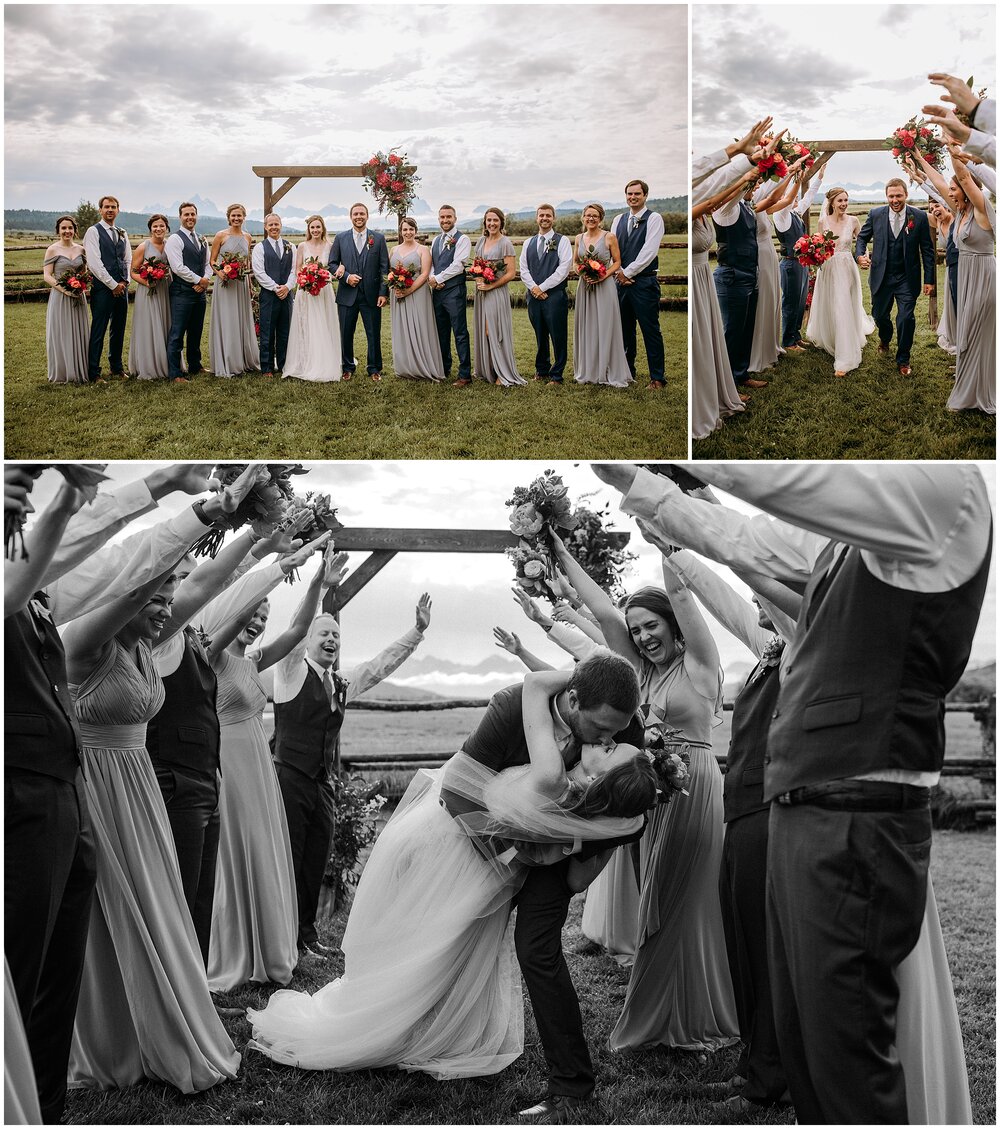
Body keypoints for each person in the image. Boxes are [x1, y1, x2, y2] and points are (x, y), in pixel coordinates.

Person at [597, 461, 991, 1125]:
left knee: (847, 1056)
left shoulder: (942, 492)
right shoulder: (841, 554)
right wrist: (646, 490)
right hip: (801, 811)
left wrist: (682, 462)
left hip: (858, 810)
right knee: (806, 1037)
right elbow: (748, 546)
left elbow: (796, 485)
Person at [247, 661, 653, 1108]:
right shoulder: (509, 707)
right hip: (478, 840)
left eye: (615, 734)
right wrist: (509, 853)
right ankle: (408, 1031)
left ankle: (572, 1086)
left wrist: (575, 842)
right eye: (599, 729)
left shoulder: (621, 725)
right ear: (573, 700)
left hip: (558, 856)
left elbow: (631, 813)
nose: (607, 740)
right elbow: (457, 790)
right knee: (440, 944)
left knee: (537, 950)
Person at [549, 531, 738, 1054]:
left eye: (651, 626)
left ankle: (686, 1015)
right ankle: (665, 1008)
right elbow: (606, 614)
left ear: (674, 627)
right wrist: (557, 548)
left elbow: (681, 596)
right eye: (638, 631)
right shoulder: (641, 674)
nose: (643, 636)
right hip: (654, 794)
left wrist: (665, 533)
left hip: (696, 786)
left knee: (684, 900)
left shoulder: (700, 665)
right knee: (654, 901)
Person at [62, 569, 241, 1092]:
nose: (167, 608)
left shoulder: (147, 640)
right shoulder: (86, 644)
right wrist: (175, 542)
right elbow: (145, 584)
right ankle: (115, 1038)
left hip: (139, 788)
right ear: (128, 595)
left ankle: (166, 1015)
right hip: (100, 789)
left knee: (161, 905)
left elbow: (203, 586)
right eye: (155, 598)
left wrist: (257, 533)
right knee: (115, 912)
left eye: (168, 600)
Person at [202, 538, 339, 992]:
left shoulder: (257, 661)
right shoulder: (215, 656)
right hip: (226, 761)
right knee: (232, 852)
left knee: (263, 850)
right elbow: (231, 615)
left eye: (263, 617)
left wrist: (317, 577)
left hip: (258, 764)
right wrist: (269, 573)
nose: (257, 622)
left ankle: (268, 944)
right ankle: (230, 948)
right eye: (252, 615)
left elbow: (300, 627)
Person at [272, 591, 432, 957]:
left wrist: (417, 632)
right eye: (323, 634)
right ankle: (282, 939)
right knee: (288, 860)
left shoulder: (342, 682)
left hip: (323, 783)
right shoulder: (289, 672)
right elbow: (294, 632)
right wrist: (317, 589)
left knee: (316, 858)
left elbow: (379, 666)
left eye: (336, 636)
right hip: (288, 779)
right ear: (308, 641)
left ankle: (307, 936)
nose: (331, 640)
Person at [855, 178, 935, 376]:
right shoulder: (875, 214)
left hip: (907, 278)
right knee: (880, 316)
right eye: (891, 196)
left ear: (906, 195)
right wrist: (860, 255)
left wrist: (929, 279)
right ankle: (885, 338)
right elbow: (862, 237)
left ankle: (903, 359)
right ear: (886, 196)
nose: (895, 200)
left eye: (898, 195)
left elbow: (927, 250)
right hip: (881, 276)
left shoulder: (919, 217)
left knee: (906, 317)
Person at [807, 186, 876, 376]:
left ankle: (845, 356)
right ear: (831, 203)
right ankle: (832, 336)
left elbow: (862, 244)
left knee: (843, 304)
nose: (844, 204)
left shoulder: (853, 221)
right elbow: (818, 246)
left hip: (846, 268)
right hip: (828, 269)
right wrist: (815, 256)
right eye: (840, 201)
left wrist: (864, 256)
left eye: (846, 200)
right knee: (831, 304)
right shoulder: (823, 222)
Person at [946, 155, 995, 414]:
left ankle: (976, 394)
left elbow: (964, 176)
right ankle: (967, 389)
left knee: (977, 335)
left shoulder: (982, 209)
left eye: (953, 188)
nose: (950, 192)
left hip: (984, 276)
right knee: (967, 334)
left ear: (966, 190)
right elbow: (939, 184)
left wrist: (952, 148)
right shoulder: (961, 212)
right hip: (966, 274)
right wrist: (919, 157)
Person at [611, 179, 665, 389]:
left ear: (645, 196)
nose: (632, 197)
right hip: (620, 283)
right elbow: (611, 249)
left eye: (637, 194)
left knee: (650, 329)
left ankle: (657, 377)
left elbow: (649, 251)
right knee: (624, 330)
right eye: (629, 194)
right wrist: (618, 274)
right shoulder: (618, 220)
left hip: (644, 282)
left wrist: (627, 272)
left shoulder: (654, 219)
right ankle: (627, 372)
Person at [572, 204, 632, 387]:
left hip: (604, 286)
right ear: (583, 218)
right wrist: (582, 273)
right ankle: (588, 369)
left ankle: (607, 369)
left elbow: (617, 262)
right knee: (587, 325)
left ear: (600, 218)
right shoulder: (578, 238)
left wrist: (601, 276)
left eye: (595, 216)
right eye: (588, 215)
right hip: (585, 287)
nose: (591, 219)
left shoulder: (609, 237)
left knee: (605, 325)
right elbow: (575, 262)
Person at [329, 202, 389, 381]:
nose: (359, 217)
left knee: (373, 333)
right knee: (346, 333)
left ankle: (374, 368)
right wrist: (346, 277)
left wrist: (382, 292)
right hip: (347, 295)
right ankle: (347, 367)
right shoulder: (341, 238)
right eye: (355, 214)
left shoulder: (378, 239)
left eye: (362, 213)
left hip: (371, 296)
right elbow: (332, 264)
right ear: (350, 216)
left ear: (367, 216)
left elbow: (384, 268)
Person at [282, 214, 341, 383]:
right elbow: (298, 268)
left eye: (318, 227)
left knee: (324, 323)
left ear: (323, 228)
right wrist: (307, 277)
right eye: (312, 227)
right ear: (308, 229)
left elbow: (334, 266)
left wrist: (322, 277)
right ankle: (305, 360)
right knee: (305, 324)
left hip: (324, 291)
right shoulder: (302, 246)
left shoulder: (330, 246)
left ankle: (324, 360)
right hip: (306, 291)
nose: (315, 230)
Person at [471, 207, 525, 387]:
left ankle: (503, 373)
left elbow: (510, 273)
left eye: (495, 220)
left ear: (501, 222)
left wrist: (490, 285)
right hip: (482, 292)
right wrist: (479, 278)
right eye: (489, 220)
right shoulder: (480, 241)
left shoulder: (505, 243)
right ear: (485, 222)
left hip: (496, 292)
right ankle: (488, 369)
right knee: (483, 331)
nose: (492, 223)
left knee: (494, 330)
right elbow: (476, 266)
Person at [773, 167, 824, 351]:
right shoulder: (780, 215)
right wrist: (794, 180)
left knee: (801, 302)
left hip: (801, 264)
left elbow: (808, 197)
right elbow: (787, 201)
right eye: (791, 196)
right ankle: (788, 341)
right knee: (790, 303)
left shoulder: (795, 213)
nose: (795, 199)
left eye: (795, 196)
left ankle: (796, 336)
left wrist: (819, 178)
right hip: (789, 264)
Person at [520, 204, 572, 384]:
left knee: (558, 335)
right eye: (541, 215)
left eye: (548, 215)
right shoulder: (528, 243)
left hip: (555, 296)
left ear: (553, 218)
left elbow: (563, 269)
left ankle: (557, 375)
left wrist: (542, 287)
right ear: (536, 218)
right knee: (540, 334)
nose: (544, 218)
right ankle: (541, 370)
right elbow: (523, 269)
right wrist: (534, 288)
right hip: (533, 297)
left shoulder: (562, 240)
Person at [388, 216, 445, 381]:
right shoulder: (393, 250)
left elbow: (425, 273)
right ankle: (406, 367)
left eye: (411, 229)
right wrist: (395, 286)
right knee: (402, 328)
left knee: (420, 326)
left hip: (418, 293)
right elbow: (391, 271)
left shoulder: (423, 250)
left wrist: (409, 290)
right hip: (398, 294)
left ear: (416, 231)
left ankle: (423, 366)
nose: (408, 232)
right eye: (405, 229)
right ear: (400, 231)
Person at [208, 203, 260, 377]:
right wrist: (220, 272)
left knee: (242, 318)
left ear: (244, 217)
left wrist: (250, 283)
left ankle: (244, 359)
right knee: (228, 318)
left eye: (239, 216)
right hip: (225, 284)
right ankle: (228, 360)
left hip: (241, 283)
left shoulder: (247, 237)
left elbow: (247, 262)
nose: (236, 218)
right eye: (233, 216)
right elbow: (213, 260)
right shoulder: (220, 236)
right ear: (228, 217)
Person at [83, 194, 130, 382]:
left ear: (118, 210)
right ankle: (93, 372)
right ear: (100, 210)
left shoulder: (122, 232)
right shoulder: (93, 232)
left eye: (113, 207)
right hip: (103, 288)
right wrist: (112, 284)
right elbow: (94, 263)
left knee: (118, 328)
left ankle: (116, 368)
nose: (110, 210)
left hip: (122, 287)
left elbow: (127, 259)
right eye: (106, 207)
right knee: (99, 329)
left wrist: (125, 282)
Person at [165, 202, 212, 383]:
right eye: (186, 214)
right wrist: (198, 280)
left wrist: (205, 280)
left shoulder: (201, 238)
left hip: (199, 292)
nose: (190, 217)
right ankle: (175, 373)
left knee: (196, 330)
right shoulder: (175, 239)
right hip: (182, 292)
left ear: (196, 216)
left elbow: (207, 264)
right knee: (177, 333)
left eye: (193, 214)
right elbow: (178, 267)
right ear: (180, 217)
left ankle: (195, 365)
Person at [428, 204, 473, 385]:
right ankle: (444, 368)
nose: (445, 220)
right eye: (442, 217)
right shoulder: (436, 240)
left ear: (455, 218)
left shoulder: (463, 239)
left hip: (454, 292)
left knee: (460, 332)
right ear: (439, 219)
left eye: (449, 217)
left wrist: (438, 278)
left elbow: (458, 265)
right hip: (437, 293)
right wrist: (432, 278)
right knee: (441, 331)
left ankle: (464, 374)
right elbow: (432, 262)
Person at [42, 214, 89, 384]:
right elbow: (47, 276)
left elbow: (84, 272)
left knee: (79, 331)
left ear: (75, 231)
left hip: (78, 296)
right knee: (62, 332)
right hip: (60, 297)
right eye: (64, 228)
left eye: (70, 228)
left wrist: (81, 285)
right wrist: (65, 290)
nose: (67, 231)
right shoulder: (53, 249)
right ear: (58, 231)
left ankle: (79, 370)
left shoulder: (81, 250)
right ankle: (63, 372)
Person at [128, 214, 174, 380]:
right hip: (148, 292)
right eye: (155, 226)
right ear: (150, 229)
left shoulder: (170, 246)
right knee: (149, 325)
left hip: (165, 291)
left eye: (162, 226)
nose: (158, 229)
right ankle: (149, 365)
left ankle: (167, 363)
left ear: (166, 228)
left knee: (165, 324)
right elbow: (133, 272)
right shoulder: (143, 246)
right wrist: (147, 282)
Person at [251, 213, 296, 377]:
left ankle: (284, 365)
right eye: (270, 225)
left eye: (276, 224)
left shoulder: (291, 246)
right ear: (265, 227)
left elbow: (294, 270)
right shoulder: (260, 248)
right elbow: (259, 272)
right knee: (267, 332)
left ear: (281, 225)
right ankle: (267, 367)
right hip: (269, 296)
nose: (274, 227)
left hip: (287, 296)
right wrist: (276, 288)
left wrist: (288, 286)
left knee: (285, 332)